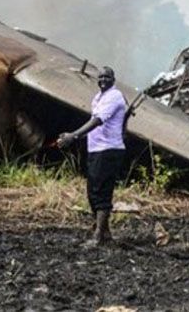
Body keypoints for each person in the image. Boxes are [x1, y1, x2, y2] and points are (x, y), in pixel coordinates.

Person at [57, 66, 126, 246]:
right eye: (101, 77)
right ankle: (105, 233)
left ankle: (97, 236)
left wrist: (74, 135)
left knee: (101, 191)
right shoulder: (98, 97)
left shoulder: (114, 97)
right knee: (92, 191)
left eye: (107, 77)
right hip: (96, 149)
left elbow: (97, 121)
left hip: (108, 149)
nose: (103, 80)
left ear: (113, 79)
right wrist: (71, 135)